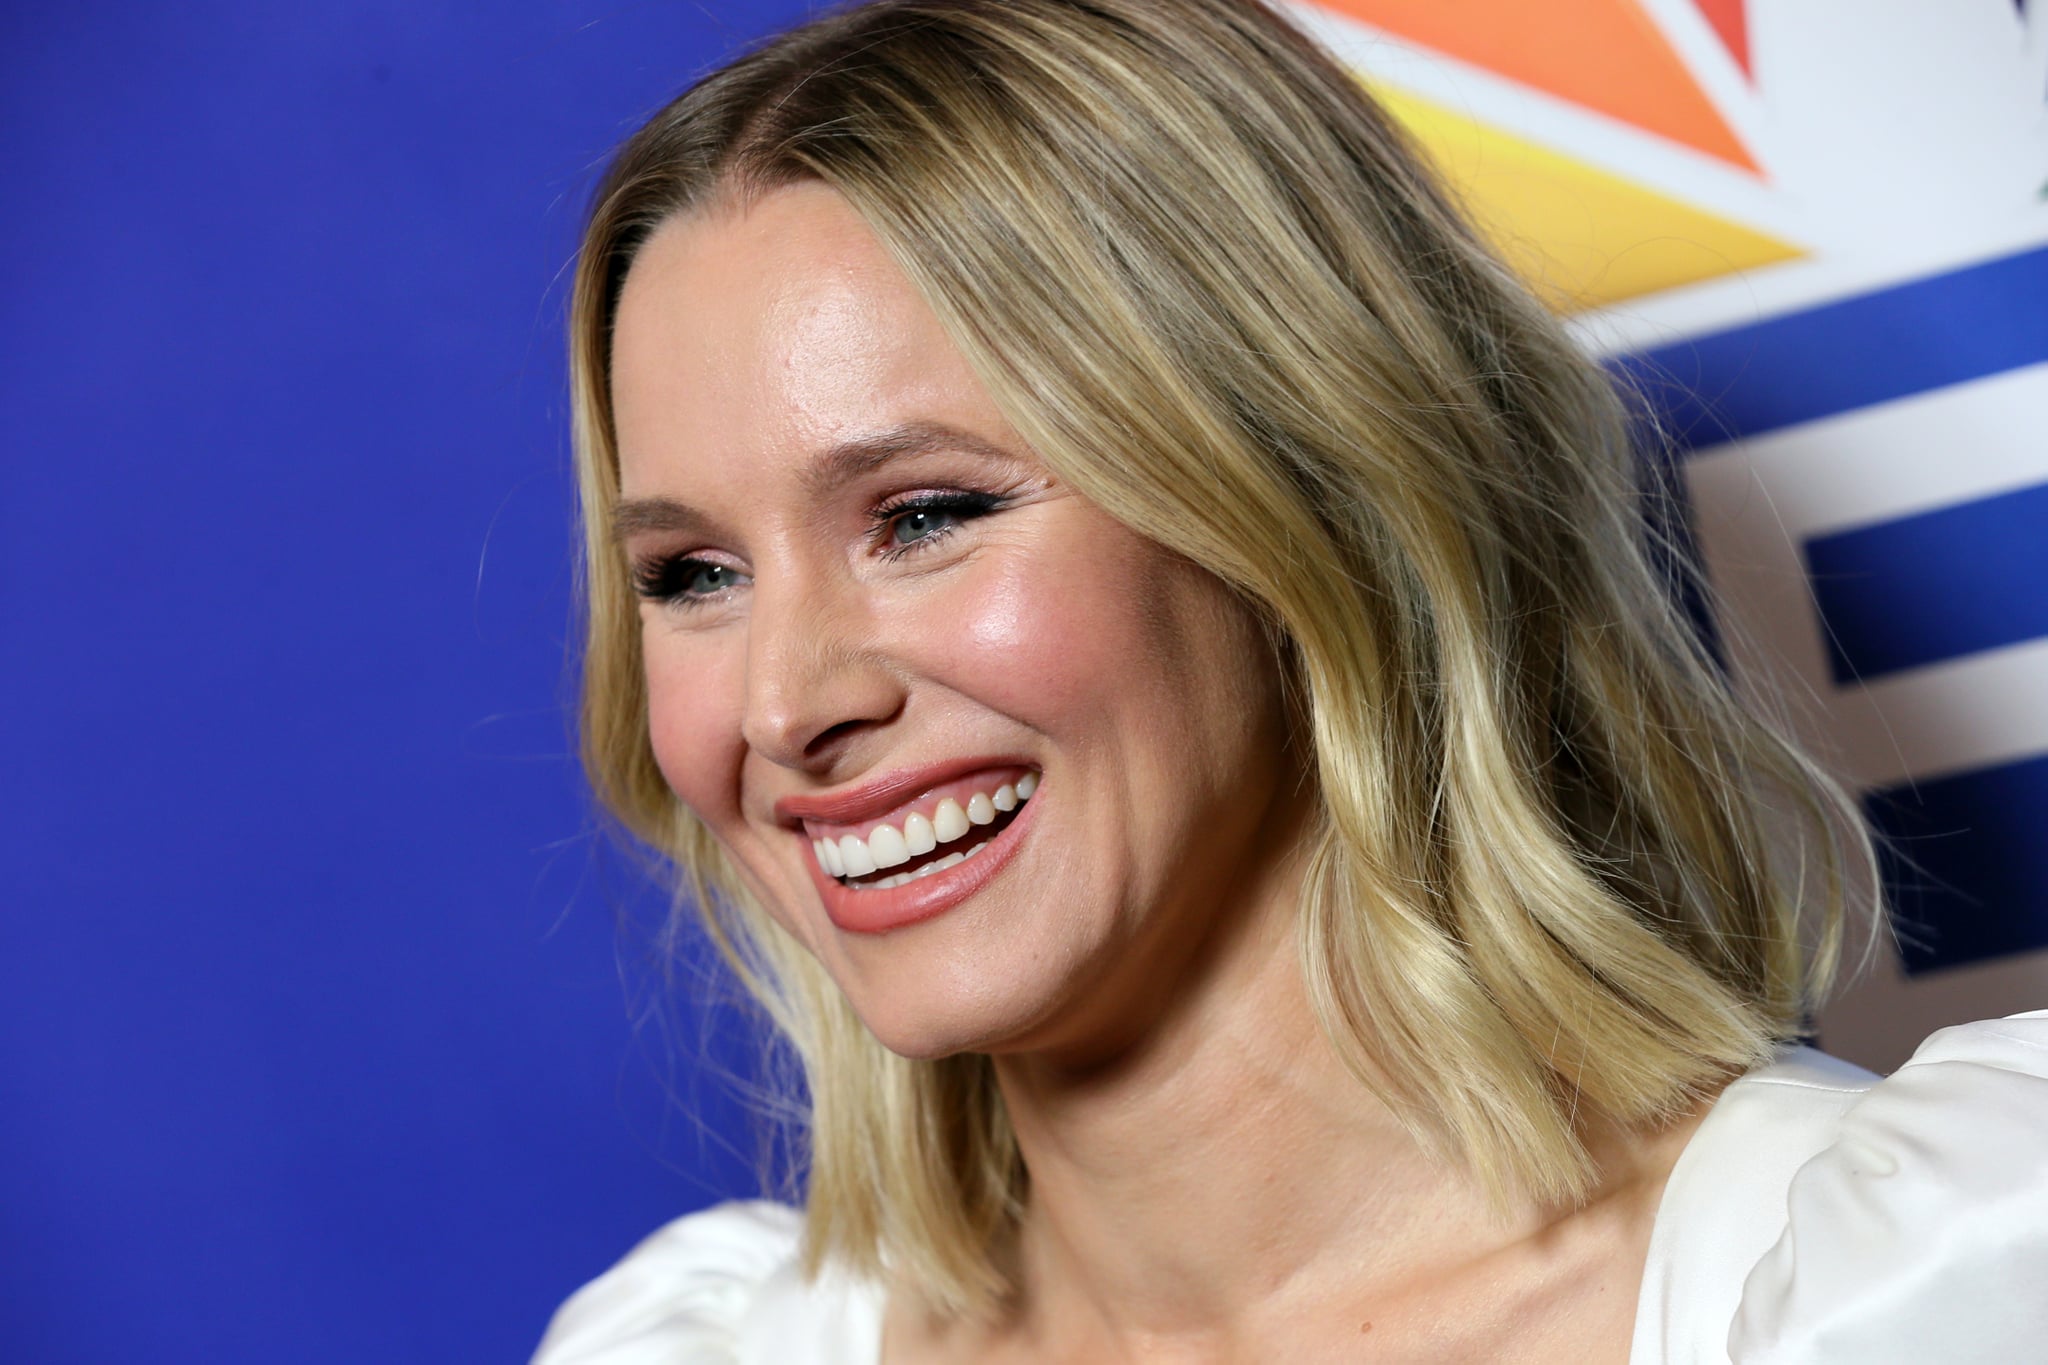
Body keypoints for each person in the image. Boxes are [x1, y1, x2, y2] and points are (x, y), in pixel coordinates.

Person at [533, 0, 2048, 1360]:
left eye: (926, 516)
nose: (788, 705)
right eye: (693, 576)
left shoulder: (1915, 1288)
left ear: (1307, 500)